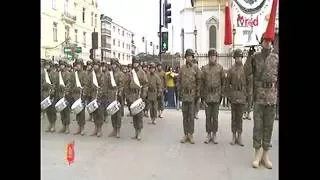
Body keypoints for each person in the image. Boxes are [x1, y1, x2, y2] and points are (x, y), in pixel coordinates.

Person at [244, 33, 279, 169]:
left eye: (270, 41)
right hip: (259, 97)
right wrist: (248, 57)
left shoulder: (276, 58)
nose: (267, 43)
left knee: (268, 127)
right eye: (265, 40)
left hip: (271, 97)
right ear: (261, 42)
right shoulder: (256, 57)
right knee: (258, 127)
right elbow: (246, 72)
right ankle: (257, 154)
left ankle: (265, 154)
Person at [201, 49, 224, 144]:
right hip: (207, 96)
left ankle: (214, 134)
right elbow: (202, 83)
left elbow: (223, 82)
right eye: (210, 56)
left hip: (216, 95)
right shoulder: (204, 68)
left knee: (215, 117)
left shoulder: (220, 68)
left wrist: (221, 95)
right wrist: (202, 97)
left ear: (216, 57)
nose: (212, 58)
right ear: (208, 57)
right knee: (207, 116)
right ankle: (208, 134)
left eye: (214, 56)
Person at [225, 49, 248, 146]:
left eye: (240, 57)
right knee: (234, 117)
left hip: (242, 96)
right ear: (234, 58)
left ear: (242, 58)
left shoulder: (245, 69)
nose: (238, 59)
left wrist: (247, 96)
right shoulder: (231, 69)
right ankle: (233, 136)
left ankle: (240, 136)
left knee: (240, 117)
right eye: (237, 57)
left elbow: (248, 83)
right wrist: (229, 96)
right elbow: (227, 84)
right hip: (234, 96)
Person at [179, 49, 201, 144]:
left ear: (192, 57)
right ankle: (185, 134)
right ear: (185, 58)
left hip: (192, 96)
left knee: (191, 116)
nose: (189, 58)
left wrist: (198, 94)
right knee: (185, 116)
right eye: (187, 56)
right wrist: (179, 92)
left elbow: (199, 82)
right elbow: (179, 81)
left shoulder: (196, 68)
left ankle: (191, 134)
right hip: (184, 95)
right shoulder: (182, 68)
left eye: (190, 56)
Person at [126, 56, 148, 140]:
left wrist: (143, 95)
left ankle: (139, 132)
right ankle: (135, 131)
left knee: (139, 115)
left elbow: (145, 85)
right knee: (134, 115)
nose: (135, 64)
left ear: (139, 63)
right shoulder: (130, 73)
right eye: (134, 62)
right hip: (132, 96)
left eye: (136, 63)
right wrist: (127, 95)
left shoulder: (142, 73)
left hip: (139, 95)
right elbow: (127, 84)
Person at [104, 58, 124, 138]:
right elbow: (106, 84)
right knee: (112, 113)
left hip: (117, 94)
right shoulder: (109, 74)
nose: (113, 66)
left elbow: (121, 85)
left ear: (117, 65)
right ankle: (114, 130)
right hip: (110, 95)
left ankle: (118, 130)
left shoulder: (120, 74)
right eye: (112, 64)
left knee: (118, 114)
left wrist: (119, 93)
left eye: (114, 64)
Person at [87, 60, 105, 137]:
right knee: (94, 113)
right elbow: (88, 84)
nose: (95, 66)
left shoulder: (102, 75)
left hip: (100, 96)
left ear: (99, 66)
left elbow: (103, 86)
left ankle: (99, 129)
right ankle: (95, 129)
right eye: (94, 65)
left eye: (96, 65)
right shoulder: (91, 74)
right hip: (93, 95)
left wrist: (100, 95)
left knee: (99, 113)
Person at [55, 60, 72, 134]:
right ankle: (63, 126)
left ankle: (67, 127)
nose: (61, 66)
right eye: (60, 65)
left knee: (66, 112)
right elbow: (55, 83)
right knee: (61, 112)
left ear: (64, 66)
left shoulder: (67, 74)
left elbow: (69, 84)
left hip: (66, 95)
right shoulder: (58, 74)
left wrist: (66, 92)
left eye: (62, 65)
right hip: (59, 94)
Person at [41, 60, 57, 132]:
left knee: (52, 111)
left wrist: (52, 93)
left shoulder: (53, 73)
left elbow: (54, 84)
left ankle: (53, 125)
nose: (47, 66)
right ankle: (50, 124)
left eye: (48, 65)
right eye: (46, 65)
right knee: (47, 111)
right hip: (44, 93)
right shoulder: (43, 73)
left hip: (51, 94)